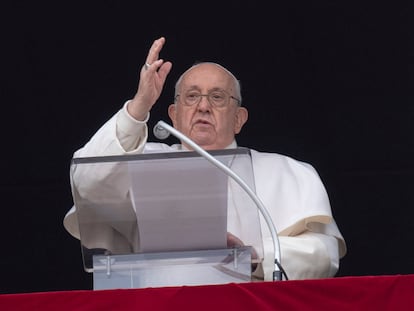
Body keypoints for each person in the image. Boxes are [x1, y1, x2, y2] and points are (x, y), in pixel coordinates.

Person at [64, 37, 346, 281]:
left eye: (218, 97)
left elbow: (323, 253)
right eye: (192, 96)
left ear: (239, 119)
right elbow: (87, 183)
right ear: (174, 114)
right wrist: (139, 106)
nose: (203, 106)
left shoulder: (285, 171)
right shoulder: (140, 161)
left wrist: (253, 256)